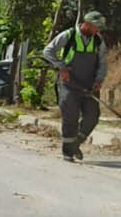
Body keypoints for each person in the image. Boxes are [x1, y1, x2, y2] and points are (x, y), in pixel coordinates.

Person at [42, 11, 108, 162]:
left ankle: (76, 143)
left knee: (92, 116)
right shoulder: (69, 35)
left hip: (89, 85)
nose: (98, 30)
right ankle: (67, 151)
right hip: (69, 84)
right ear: (87, 24)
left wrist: (99, 80)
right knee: (70, 117)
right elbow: (48, 51)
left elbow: (103, 62)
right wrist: (62, 67)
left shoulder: (98, 40)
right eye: (96, 27)